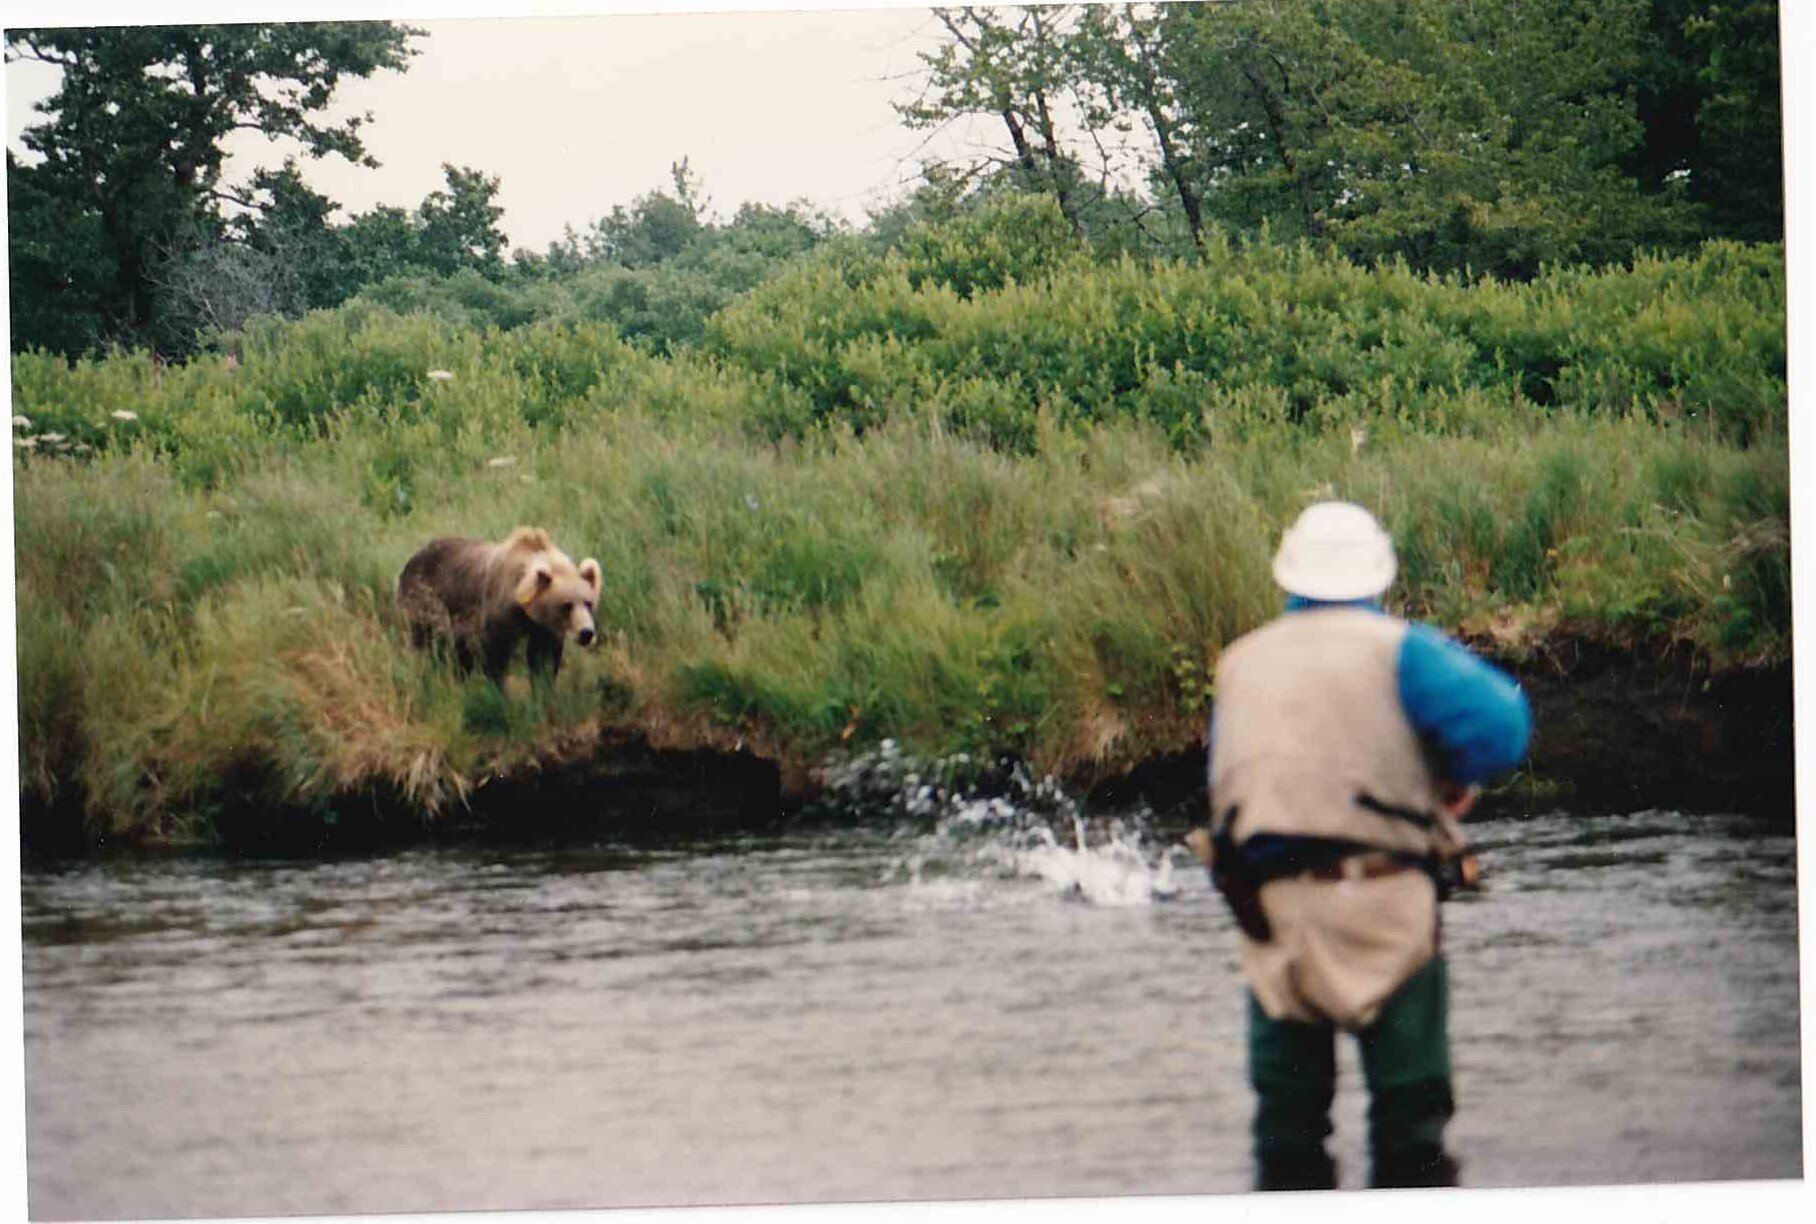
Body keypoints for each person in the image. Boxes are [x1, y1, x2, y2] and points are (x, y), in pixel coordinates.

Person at [1200, 501, 1532, 1192]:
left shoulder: (1239, 664)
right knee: (1410, 1131)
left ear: (1288, 573)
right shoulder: (1401, 649)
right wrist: (1450, 780)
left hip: (1272, 918)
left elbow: (1235, 779)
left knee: (1288, 1135)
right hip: (1383, 905)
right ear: (1376, 574)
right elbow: (1506, 726)